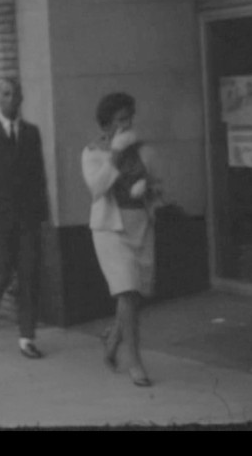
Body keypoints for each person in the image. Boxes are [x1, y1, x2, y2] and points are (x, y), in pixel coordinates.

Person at [81, 92, 163, 387]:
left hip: (140, 226)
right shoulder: (93, 152)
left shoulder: (141, 150)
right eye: (120, 120)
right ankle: (135, 362)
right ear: (106, 125)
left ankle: (115, 335)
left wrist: (150, 189)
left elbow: (157, 185)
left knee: (137, 294)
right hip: (110, 231)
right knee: (126, 291)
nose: (127, 124)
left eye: (129, 118)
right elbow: (97, 188)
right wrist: (115, 154)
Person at [0, 78, 49, 359]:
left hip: (27, 219)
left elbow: (38, 176)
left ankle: (27, 337)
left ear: (21, 99)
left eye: (15, 94)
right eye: (5, 94)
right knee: (1, 272)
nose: (11, 98)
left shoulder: (31, 133)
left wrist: (43, 215)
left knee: (28, 276)